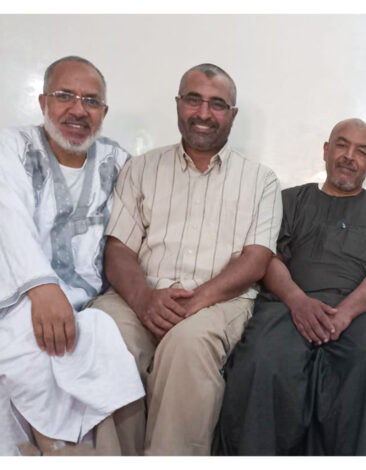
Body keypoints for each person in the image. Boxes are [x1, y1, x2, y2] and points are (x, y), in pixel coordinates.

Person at [89, 63, 282, 455]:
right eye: (194, 100)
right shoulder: (141, 168)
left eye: (217, 104)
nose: (204, 113)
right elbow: (119, 247)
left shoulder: (261, 180)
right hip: (144, 293)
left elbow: (256, 258)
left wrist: (197, 301)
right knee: (104, 331)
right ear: (178, 104)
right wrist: (144, 299)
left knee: (187, 344)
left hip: (219, 301)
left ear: (232, 114)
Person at [212, 118, 366, 456]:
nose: (349, 156)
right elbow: (269, 257)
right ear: (326, 150)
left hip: (363, 310)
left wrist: (345, 313)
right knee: (264, 359)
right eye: (341, 145)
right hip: (288, 303)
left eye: (361, 152)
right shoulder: (289, 201)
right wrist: (297, 301)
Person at [0, 56, 143, 455]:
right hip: (18, 292)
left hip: (87, 300)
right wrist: (42, 288)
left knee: (97, 333)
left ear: (104, 113)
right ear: (43, 102)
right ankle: (55, 448)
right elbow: (8, 217)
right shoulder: (12, 147)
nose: (78, 110)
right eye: (65, 96)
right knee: (27, 337)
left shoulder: (118, 161)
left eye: (91, 101)